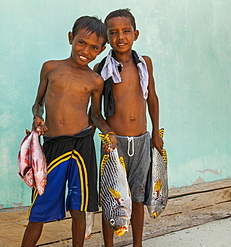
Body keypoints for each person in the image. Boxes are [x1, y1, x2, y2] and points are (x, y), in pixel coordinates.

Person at [21, 16, 117, 247]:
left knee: (79, 207)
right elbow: (38, 103)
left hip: (82, 146)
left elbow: (95, 115)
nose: (86, 51)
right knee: (39, 207)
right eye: (81, 43)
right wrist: (37, 117)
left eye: (94, 47)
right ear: (71, 38)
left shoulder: (95, 80)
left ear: (102, 50)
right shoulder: (51, 68)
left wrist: (109, 133)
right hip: (54, 144)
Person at [92, 8, 163, 247]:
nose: (120, 37)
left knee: (139, 195)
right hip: (114, 143)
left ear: (136, 34)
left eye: (126, 31)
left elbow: (151, 97)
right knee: (114, 197)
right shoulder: (101, 69)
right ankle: (109, 245)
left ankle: (138, 243)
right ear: (107, 37)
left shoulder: (145, 64)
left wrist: (156, 132)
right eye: (113, 33)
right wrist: (107, 133)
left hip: (142, 140)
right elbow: (95, 112)